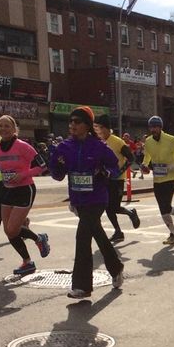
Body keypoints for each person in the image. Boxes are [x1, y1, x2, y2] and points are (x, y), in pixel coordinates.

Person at [49, 106, 124, 298]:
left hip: (97, 198)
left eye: (77, 121)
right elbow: (57, 175)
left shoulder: (99, 147)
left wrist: (104, 172)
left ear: (87, 125)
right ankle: (116, 267)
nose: (72, 125)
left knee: (82, 236)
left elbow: (115, 168)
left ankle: (82, 286)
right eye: (70, 121)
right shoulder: (64, 147)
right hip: (78, 200)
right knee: (98, 233)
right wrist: (56, 163)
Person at [0, 115, 50, 277]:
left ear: (14, 129)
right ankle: (27, 262)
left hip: (25, 190)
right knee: (9, 231)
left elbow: (42, 166)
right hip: (7, 190)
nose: (3, 129)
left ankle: (38, 239)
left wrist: (23, 175)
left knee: (13, 228)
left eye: (7, 126)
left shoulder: (23, 146)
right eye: (1, 126)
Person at [140, 116, 174, 245]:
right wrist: (144, 164)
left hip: (170, 176)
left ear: (160, 127)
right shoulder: (148, 141)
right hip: (157, 178)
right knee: (162, 208)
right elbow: (147, 155)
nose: (153, 129)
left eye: (156, 127)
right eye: (151, 127)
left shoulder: (171, 140)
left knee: (166, 206)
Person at [93, 115, 140, 243]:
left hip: (117, 180)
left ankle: (131, 213)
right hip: (105, 180)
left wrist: (120, 171)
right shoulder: (99, 142)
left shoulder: (118, 142)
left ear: (106, 128)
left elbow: (131, 158)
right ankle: (118, 231)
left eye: (100, 128)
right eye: (96, 128)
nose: (98, 131)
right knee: (108, 208)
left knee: (115, 207)